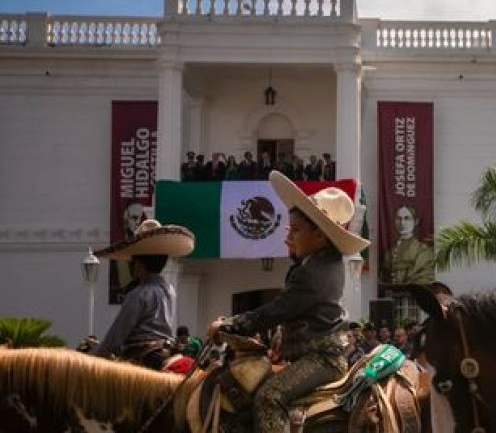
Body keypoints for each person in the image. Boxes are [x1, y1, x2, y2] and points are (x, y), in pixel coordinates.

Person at [207, 170, 370, 433]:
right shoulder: (322, 261)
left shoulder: (311, 271)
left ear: (319, 236)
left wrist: (232, 324)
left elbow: (277, 310)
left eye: (295, 230)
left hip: (322, 360)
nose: (288, 236)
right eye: (288, 228)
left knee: (269, 397)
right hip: (317, 355)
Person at [93, 219, 195, 369]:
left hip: (143, 357)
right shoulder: (170, 290)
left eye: (132, 263)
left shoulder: (139, 293)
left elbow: (117, 336)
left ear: (139, 265)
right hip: (167, 349)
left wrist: (96, 355)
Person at [386, 205, 436, 285]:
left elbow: (424, 276)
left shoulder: (422, 250)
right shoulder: (389, 251)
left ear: (416, 221)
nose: (402, 223)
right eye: (398, 218)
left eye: (407, 218)